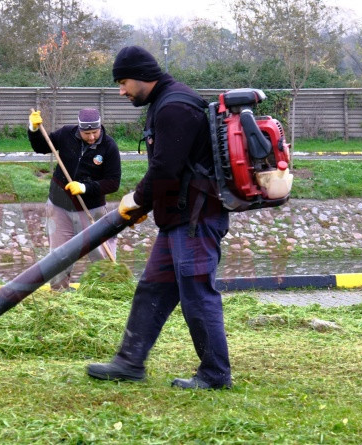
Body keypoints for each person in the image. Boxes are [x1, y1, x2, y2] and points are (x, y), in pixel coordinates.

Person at [86, 46, 231, 390]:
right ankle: (129, 362)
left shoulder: (175, 107)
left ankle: (215, 375)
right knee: (152, 288)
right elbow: (172, 171)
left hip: (195, 220)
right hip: (177, 220)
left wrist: (136, 200)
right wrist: (144, 206)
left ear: (141, 76)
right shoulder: (166, 102)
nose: (121, 91)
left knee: (197, 294)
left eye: (123, 82)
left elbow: (166, 169)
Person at [27, 108, 121, 291]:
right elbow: (41, 147)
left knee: (99, 253)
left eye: (95, 132)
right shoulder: (65, 134)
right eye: (87, 133)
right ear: (79, 130)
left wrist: (85, 187)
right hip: (59, 206)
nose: (92, 137)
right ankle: (59, 293)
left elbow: (113, 183)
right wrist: (34, 129)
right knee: (59, 255)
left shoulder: (109, 147)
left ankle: (106, 291)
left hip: (91, 209)